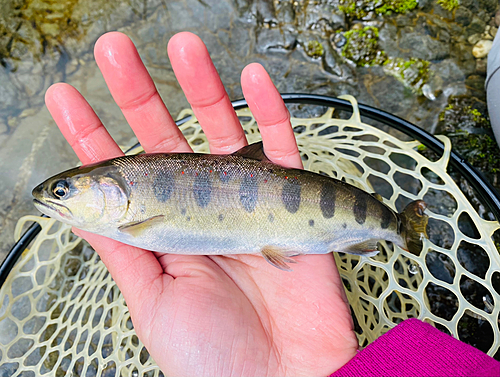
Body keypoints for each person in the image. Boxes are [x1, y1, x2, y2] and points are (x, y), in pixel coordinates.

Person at [45, 32, 500, 377]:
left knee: (365, 224)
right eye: (60, 193)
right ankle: (394, 227)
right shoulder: (128, 214)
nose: (55, 198)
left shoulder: (131, 218)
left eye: (62, 191)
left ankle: (397, 227)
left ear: (106, 187)